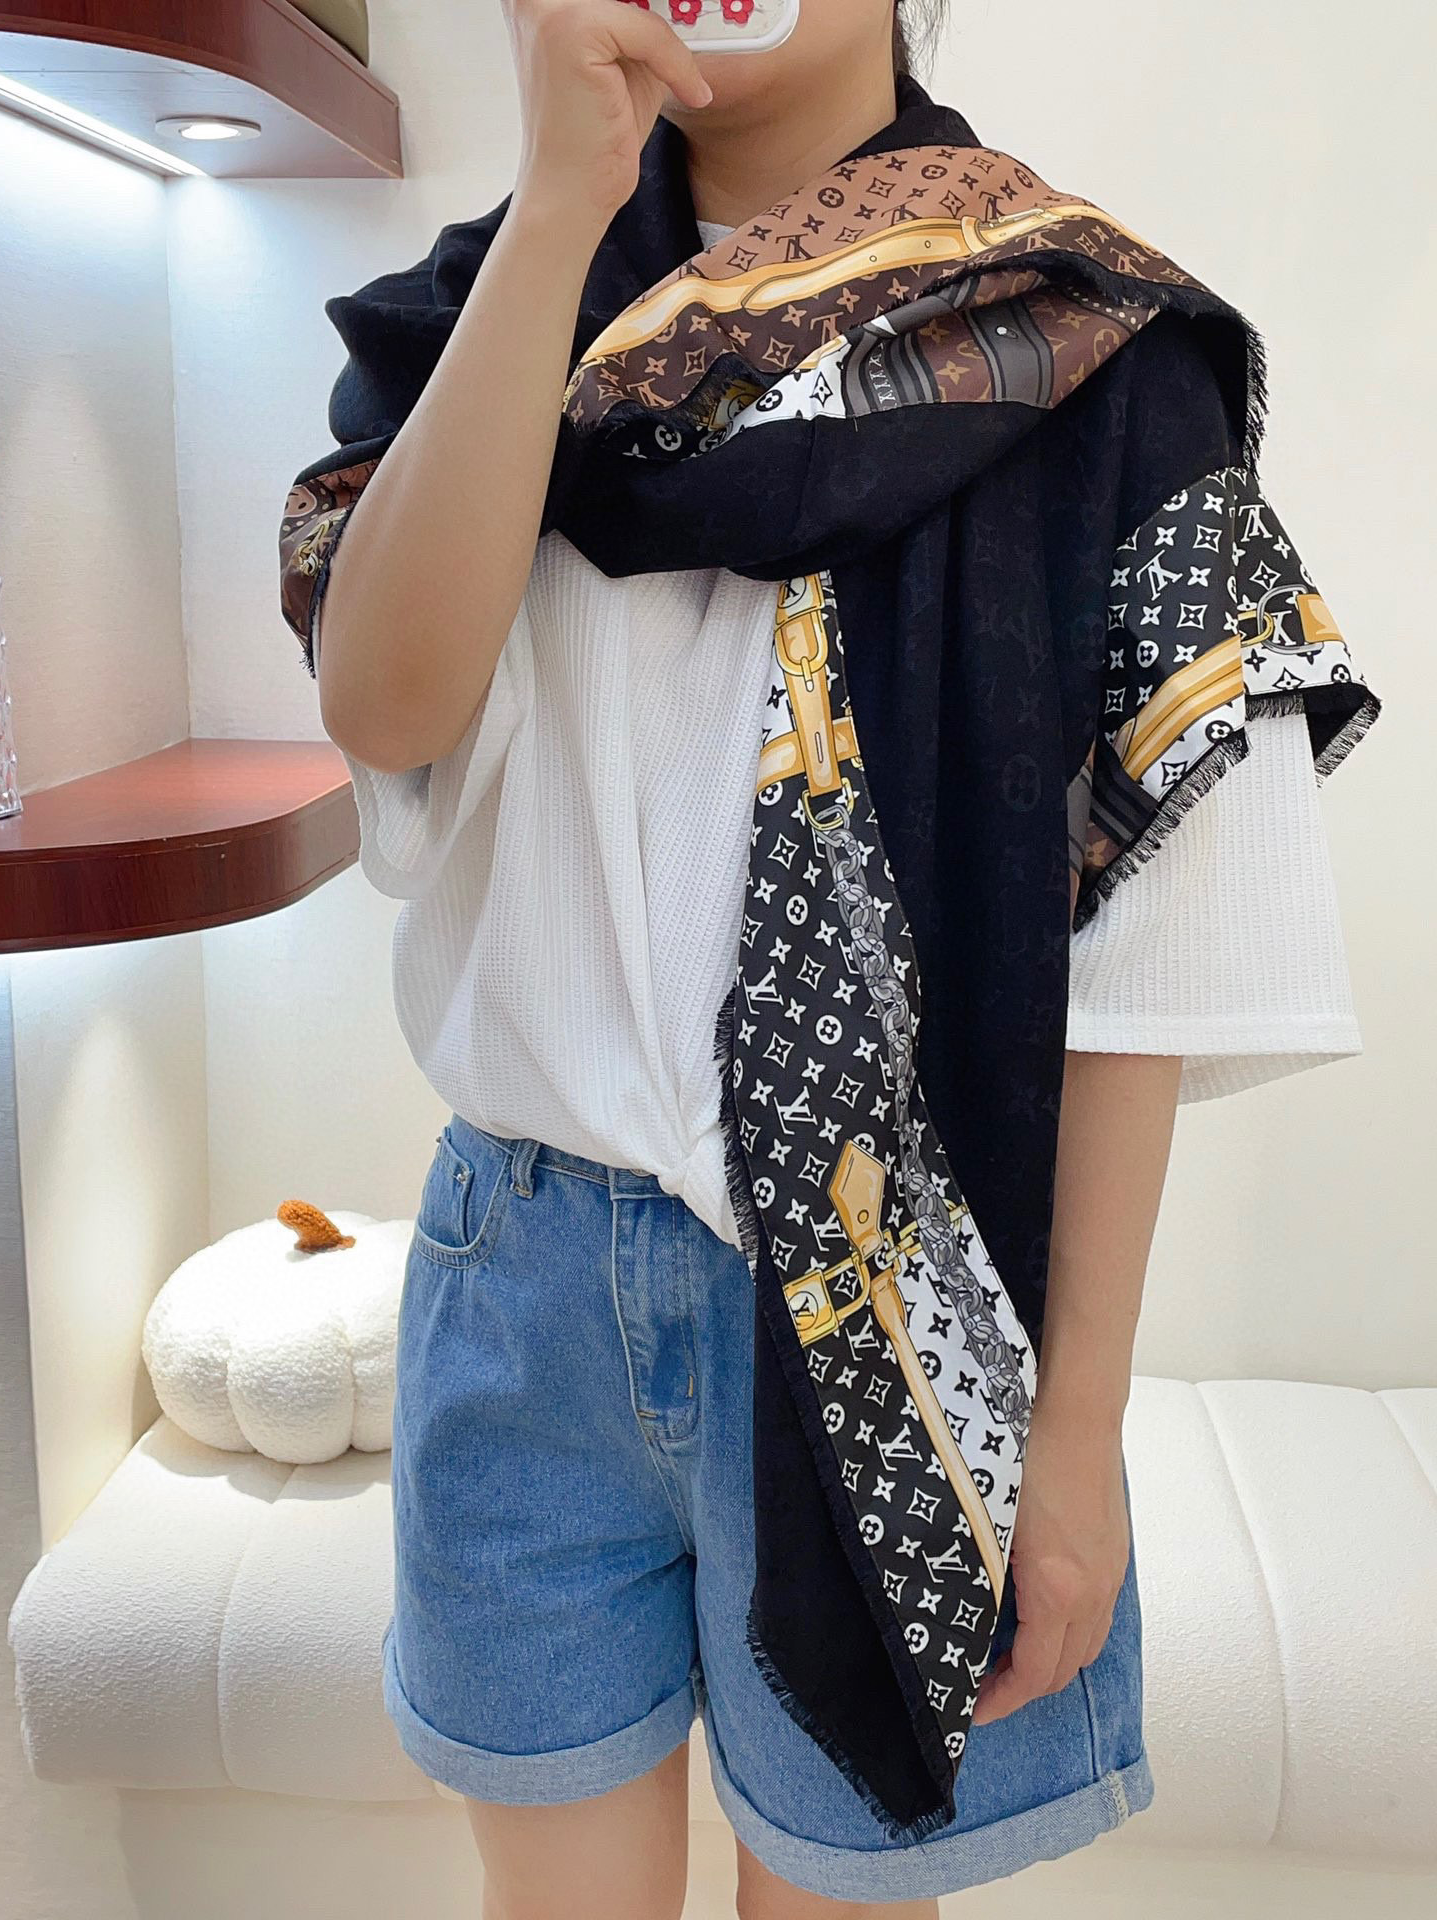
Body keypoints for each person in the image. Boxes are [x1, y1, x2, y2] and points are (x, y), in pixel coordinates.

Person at [277, 3, 1379, 1914]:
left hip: (900, 1283)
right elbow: (387, 700)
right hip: (520, 1277)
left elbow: (1145, 956)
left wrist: (1077, 1434)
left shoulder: (1077, 334)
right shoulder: (485, 318)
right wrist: (558, 208)